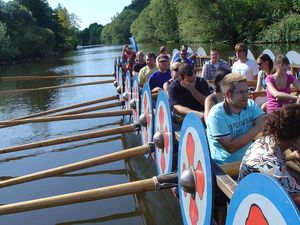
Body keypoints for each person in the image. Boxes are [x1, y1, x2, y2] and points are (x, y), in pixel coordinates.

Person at [239, 104, 300, 209]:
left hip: (251, 199)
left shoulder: (265, 140)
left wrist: (292, 155)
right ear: (294, 139)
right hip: (261, 210)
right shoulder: (276, 169)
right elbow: (296, 201)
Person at [206, 73, 265, 164]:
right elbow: (231, 147)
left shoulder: (250, 104)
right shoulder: (216, 115)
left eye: (247, 91)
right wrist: (256, 128)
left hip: (249, 160)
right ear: (228, 94)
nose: (246, 95)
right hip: (225, 168)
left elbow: (264, 121)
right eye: (241, 92)